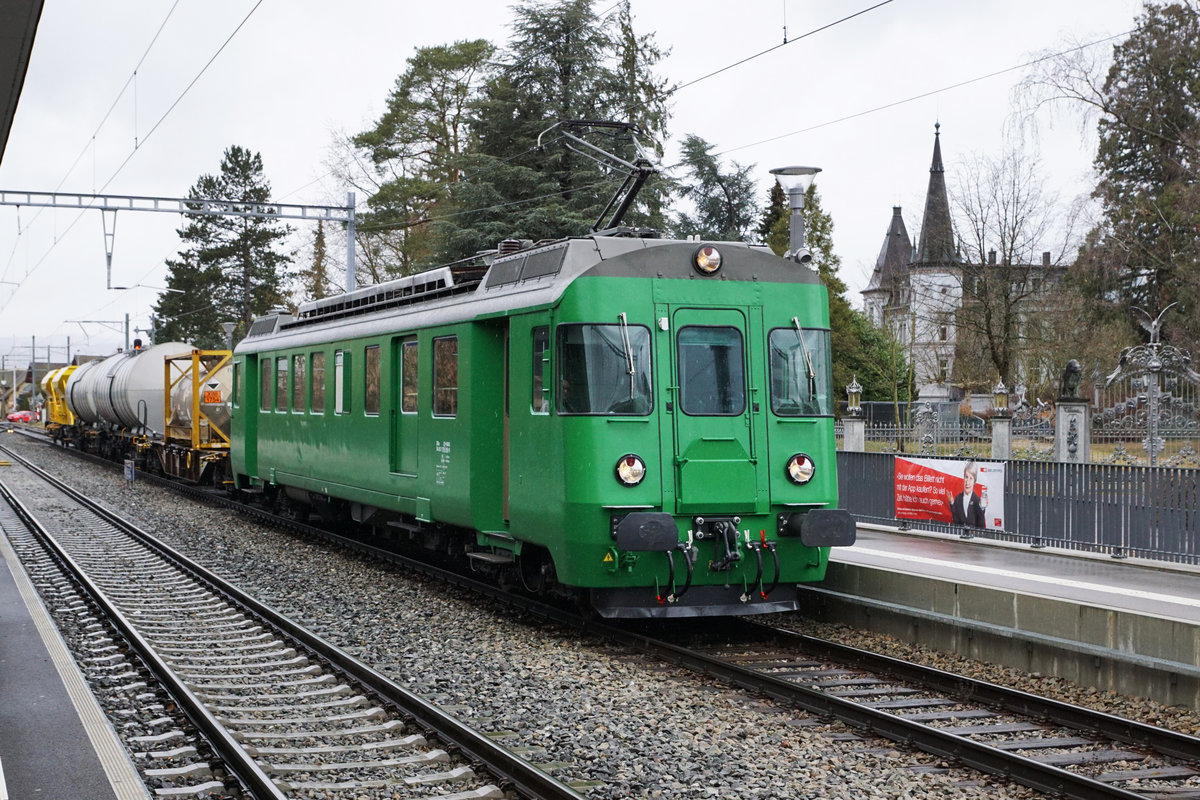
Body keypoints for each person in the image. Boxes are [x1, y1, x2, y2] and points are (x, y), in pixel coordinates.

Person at [948, 460, 987, 529]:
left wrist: (982, 507)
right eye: (966, 477)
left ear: (974, 482)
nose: (967, 481)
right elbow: (955, 520)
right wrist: (952, 503)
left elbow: (981, 525)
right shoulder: (958, 498)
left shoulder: (977, 500)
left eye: (971, 478)